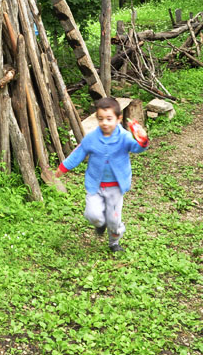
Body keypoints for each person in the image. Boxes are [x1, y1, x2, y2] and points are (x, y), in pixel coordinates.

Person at [57, 96, 149, 254]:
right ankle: (100, 224)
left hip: (116, 187)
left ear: (118, 119)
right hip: (96, 185)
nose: (104, 123)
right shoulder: (92, 139)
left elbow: (137, 148)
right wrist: (63, 168)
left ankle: (114, 242)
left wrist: (142, 140)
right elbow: (78, 153)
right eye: (101, 119)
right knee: (92, 214)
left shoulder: (124, 137)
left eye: (109, 119)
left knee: (114, 220)